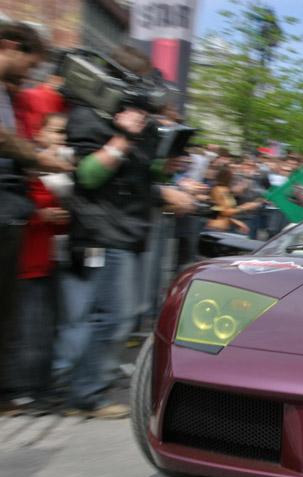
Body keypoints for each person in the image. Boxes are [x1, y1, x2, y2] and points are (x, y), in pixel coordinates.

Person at [62, 45, 194, 419]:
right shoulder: (89, 116)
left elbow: (144, 178)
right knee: (112, 316)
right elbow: (87, 176)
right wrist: (120, 137)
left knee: (124, 314)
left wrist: (167, 166)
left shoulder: (146, 125)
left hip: (132, 230)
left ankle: (91, 384)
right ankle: (86, 394)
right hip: (102, 231)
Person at [0, 22, 74, 415]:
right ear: (10, 46)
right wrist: (36, 157)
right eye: (28, 64)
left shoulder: (8, 94)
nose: (29, 74)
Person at [206, 165, 264, 231]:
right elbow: (224, 212)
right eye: (233, 172)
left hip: (223, 228)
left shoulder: (224, 189)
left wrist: (234, 221)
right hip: (216, 228)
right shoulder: (219, 190)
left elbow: (219, 212)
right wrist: (246, 207)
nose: (235, 175)